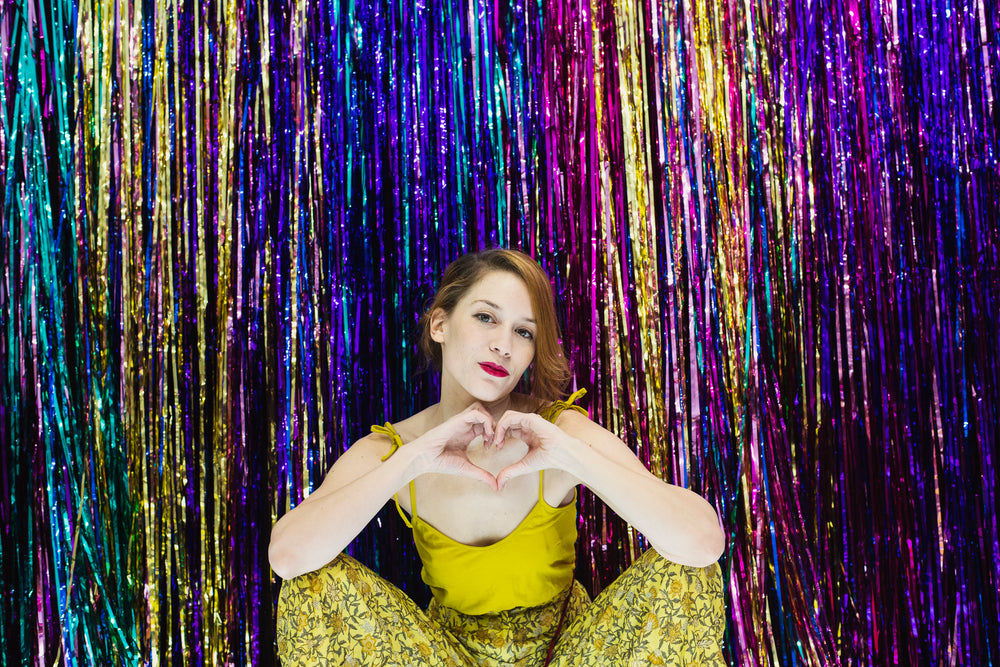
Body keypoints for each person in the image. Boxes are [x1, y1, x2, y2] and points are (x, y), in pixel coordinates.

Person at [269, 248, 726, 666]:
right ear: (440, 324)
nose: (504, 344)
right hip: (445, 656)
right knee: (311, 585)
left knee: (685, 569)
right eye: (487, 318)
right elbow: (288, 557)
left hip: (570, 653)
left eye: (523, 331)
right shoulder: (395, 448)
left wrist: (573, 456)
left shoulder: (557, 428)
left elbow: (703, 541)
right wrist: (413, 460)